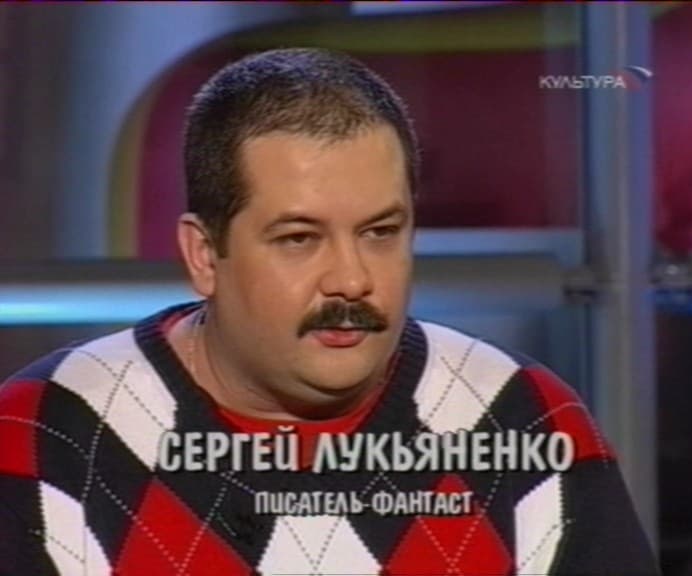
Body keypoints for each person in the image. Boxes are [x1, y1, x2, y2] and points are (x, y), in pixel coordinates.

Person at [0, 48, 658, 575]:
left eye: (380, 232)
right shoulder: (51, 435)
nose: (352, 280)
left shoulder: (520, 418)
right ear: (204, 254)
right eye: (299, 239)